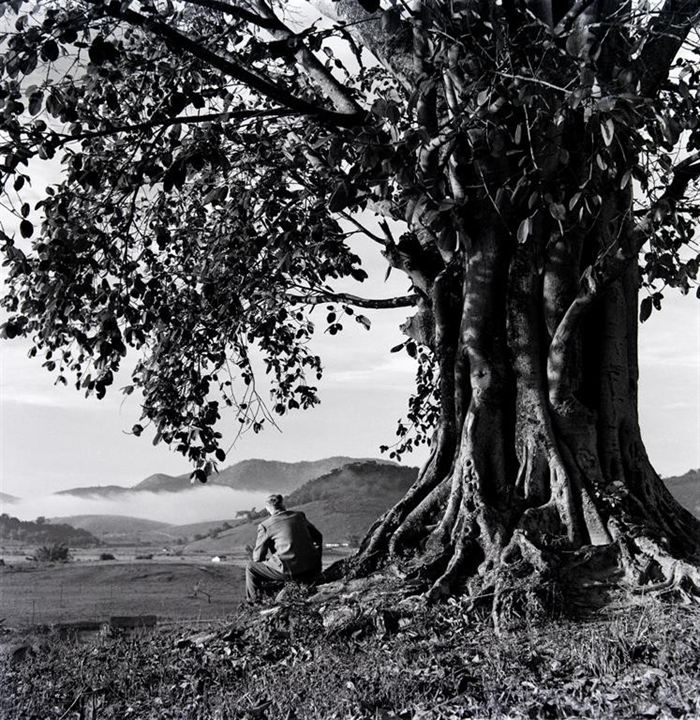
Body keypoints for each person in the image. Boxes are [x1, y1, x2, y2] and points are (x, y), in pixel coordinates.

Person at [245, 493, 323, 603]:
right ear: (283, 504)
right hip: (312, 568)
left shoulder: (266, 525)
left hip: (290, 571)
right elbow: (318, 537)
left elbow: (257, 558)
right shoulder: (299, 516)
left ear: (268, 508)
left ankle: (254, 603)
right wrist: (317, 560)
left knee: (251, 568)